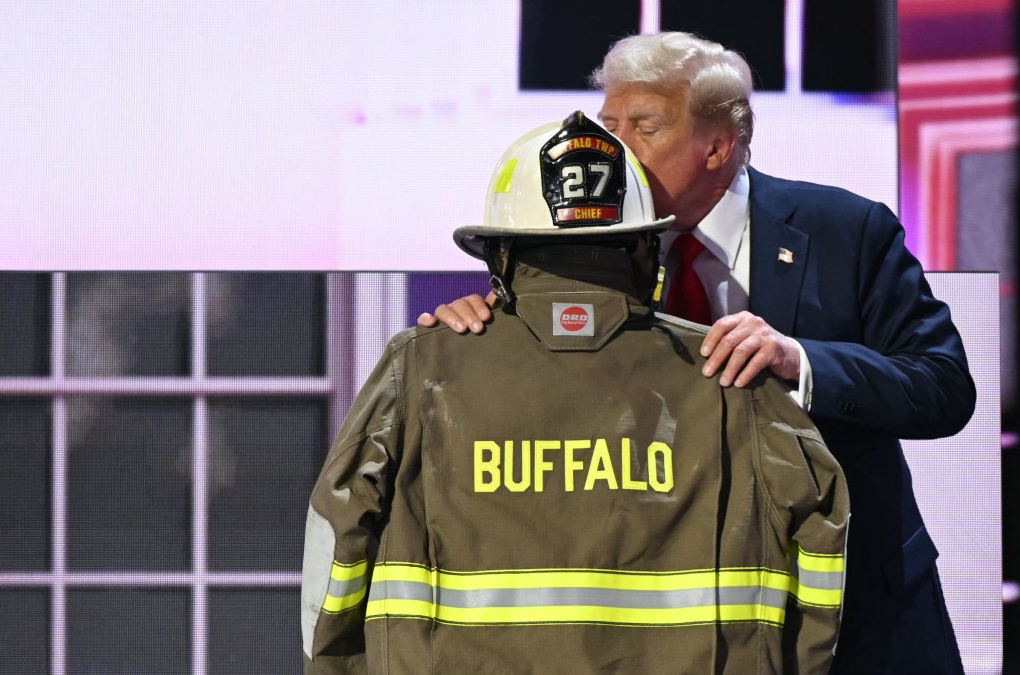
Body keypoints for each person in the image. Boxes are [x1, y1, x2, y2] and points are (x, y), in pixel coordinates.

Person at [420, 33, 976, 674]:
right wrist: (477, 331)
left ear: (718, 147)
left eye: (644, 128)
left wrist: (800, 361)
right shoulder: (578, 250)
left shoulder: (846, 230)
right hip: (674, 624)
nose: (613, 150)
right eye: (609, 126)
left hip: (857, 613)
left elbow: (943, 385)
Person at [302, 112, 850, 674]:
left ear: (501, 256)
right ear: (646, 249)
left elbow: (337, 537)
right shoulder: (736, 377)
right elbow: (822, 540)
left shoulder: (421, 367)